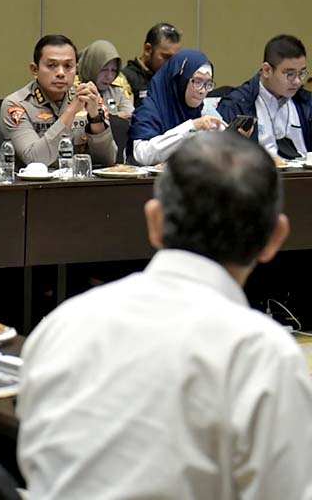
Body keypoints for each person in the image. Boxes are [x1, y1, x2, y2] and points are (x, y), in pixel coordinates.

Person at [17, 132, 312, 500]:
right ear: (275, 238)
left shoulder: (63, 323)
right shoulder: (263, 354)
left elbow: (34, 463)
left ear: (154, 222)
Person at [1, 35, 116, 167]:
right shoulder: (16, 105)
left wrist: (95, 118)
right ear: (35, 70)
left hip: (80, 178)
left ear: (76, 69)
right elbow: (35, 160)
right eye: (51, 65)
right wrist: (71, 111)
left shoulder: (88, 98)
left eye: (68, 66)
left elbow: (108, 160)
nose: (61, 73)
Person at [218, 34, 312, 159]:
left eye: (302, 73)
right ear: (267, 70)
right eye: (290, 74)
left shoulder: (306, 102)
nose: (297, 81)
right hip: (259, 170)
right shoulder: (237, 105)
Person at [130, 49, 223, 165]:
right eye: (197, 82)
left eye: (208, 84)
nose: (203, 91)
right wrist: (191, 126)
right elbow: (142, 155)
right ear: (180, 81)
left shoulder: (204, 110)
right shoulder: (149, 108)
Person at [122, 23, 182, 107]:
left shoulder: (175, 79)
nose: (171, 64)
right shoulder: (126, 79)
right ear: (147, 49)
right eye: (166, 57)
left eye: (175, 58)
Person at [77, 39, 134, 119]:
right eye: (104, 70)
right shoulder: (76, 89)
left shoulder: (116, 90)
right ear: (92, 67)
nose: (109, 76)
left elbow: (130, 115)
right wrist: (115, 117)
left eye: (114, 70)